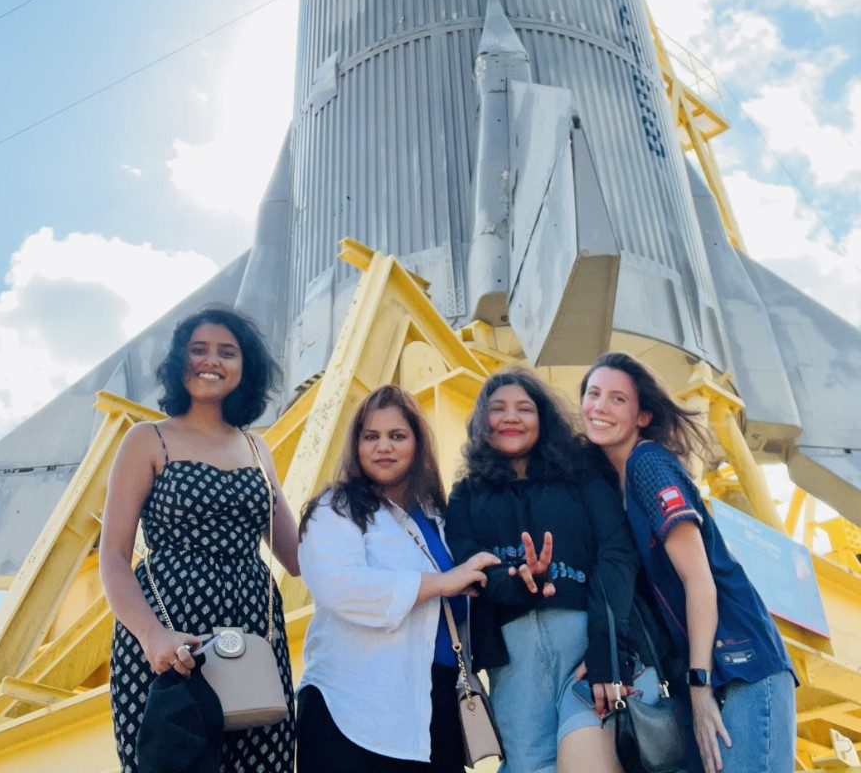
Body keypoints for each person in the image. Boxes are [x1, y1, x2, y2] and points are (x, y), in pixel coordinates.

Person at [100, 306, 299, 773]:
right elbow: (113, 556)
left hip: (253, 637)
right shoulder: (147, 439)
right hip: (170, 642)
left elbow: (296, 555)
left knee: (263, 762)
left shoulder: (257, 448)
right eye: (199, 349)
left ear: (244, 368)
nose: (211, 361)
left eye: (227, 352)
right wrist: (152, 637)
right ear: (179, 359)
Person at [580, 352, 797, 773]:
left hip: (739, 663)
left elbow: (698, 579)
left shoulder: (647, 463)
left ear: (643, 416)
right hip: (709, 673)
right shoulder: (617, 488)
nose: (600, 406)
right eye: (593, 394)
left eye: (618, 399)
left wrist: (699, 687)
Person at [295, 384, 502, 773]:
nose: (383, 447)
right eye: (371, 437)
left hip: (436, 704)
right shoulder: (334, 509)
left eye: (397, 436)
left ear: (417, 444)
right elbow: (342, 587)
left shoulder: (440, 518)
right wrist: (442, 582)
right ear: (356, 445)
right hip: (354, 708)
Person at [445, 368, 638, 773]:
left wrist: (606, 651)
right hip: (513, 660)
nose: (511, 417)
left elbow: (617, 552)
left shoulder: (580, 477)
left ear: (542, 417)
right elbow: (470, 563)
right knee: (529, 766)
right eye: (498, 409)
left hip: (584, 641)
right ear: (482, 421)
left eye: (524, 408)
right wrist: (519, 580)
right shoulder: (465, 495)